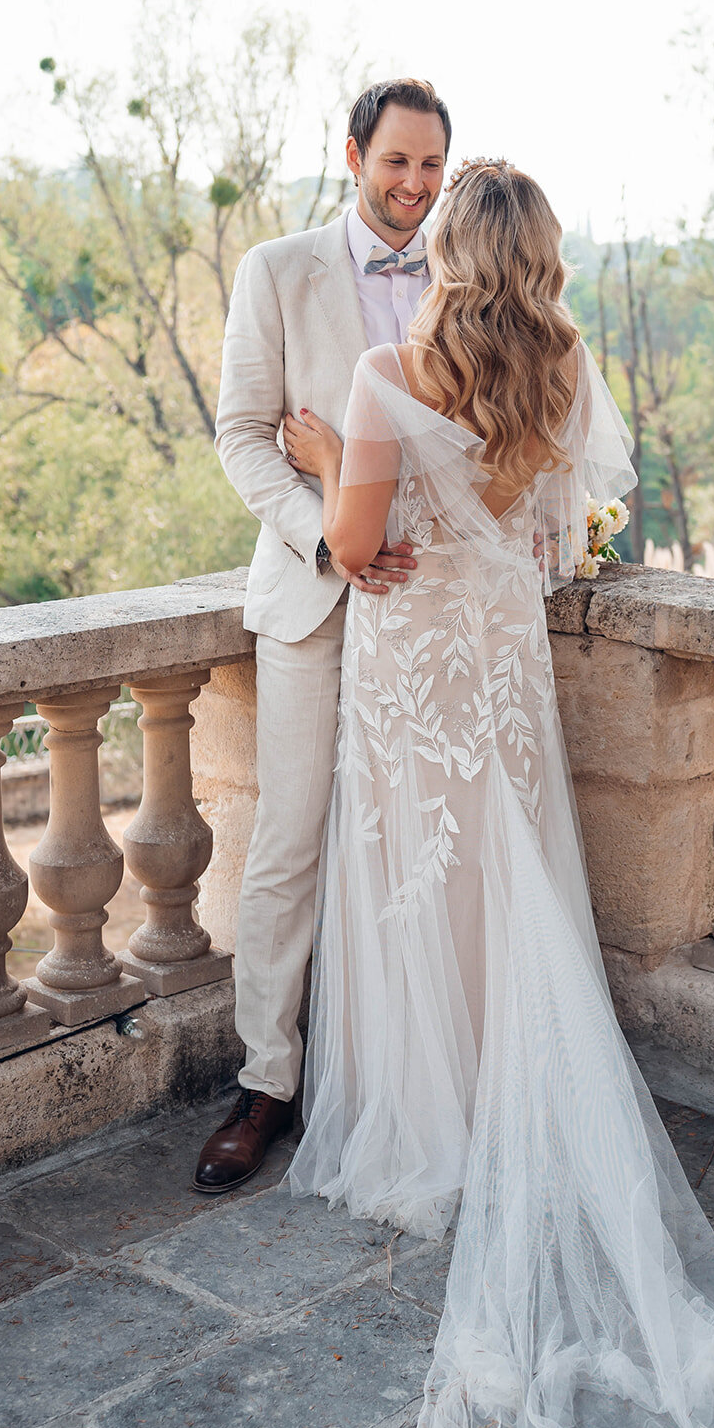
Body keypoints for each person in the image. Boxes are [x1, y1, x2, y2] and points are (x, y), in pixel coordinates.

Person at [281, 159, 714, 1428]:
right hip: (501, 663)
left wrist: (321, 457)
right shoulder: (565, 375)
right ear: (537, 260)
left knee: (417, 879)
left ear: (451, 254)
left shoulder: (383, 378)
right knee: (503, 872)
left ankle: (437, 1116)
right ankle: (502, 1098)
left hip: (412, 670)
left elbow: (351, 546)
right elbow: (562, 529)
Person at [194, 79, 451, 1193]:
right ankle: (265, 1083)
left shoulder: (463, 277)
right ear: (352, 155)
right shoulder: (276, 269)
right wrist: (322, 537)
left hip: (428, 609)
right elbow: (243, 436)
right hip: (310, 599)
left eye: (431, 165)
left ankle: (392, 1074)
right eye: (396, 161)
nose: (414, 185)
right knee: (289, 841)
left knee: (414, 843)